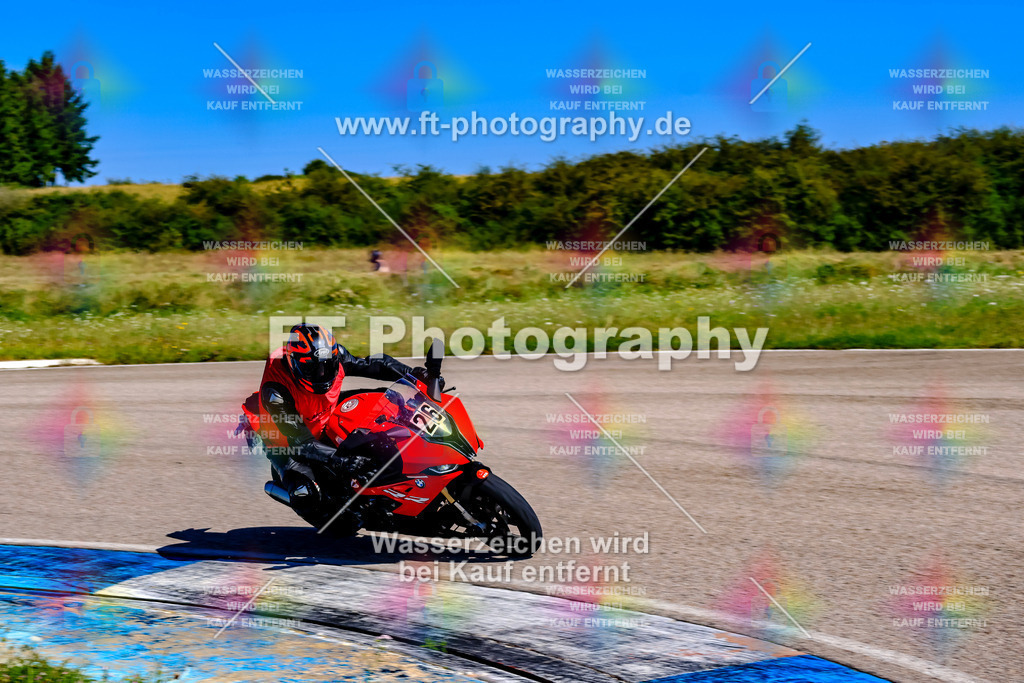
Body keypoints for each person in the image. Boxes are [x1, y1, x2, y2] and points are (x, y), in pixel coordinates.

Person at [256, 322, 436, 524]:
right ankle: (302, 493)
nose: (322, 374)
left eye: (326, 367)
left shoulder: (333, 355)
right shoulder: (275, 393)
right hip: (289, 443)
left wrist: (414, 375)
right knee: (304, 494)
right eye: (313, 370)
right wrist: (341, 460)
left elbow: (374, 364)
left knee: (386, 399)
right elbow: (301, 443)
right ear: (293, 364)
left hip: (322, 411)